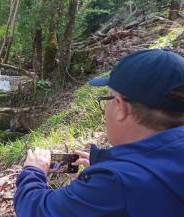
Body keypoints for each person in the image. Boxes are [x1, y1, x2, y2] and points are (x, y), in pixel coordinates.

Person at [13, 49, 184, 217]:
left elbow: (38, 210)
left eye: (106, 99)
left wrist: (33, 171)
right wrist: (103, 165)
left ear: (120, 107)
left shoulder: (116, 184)